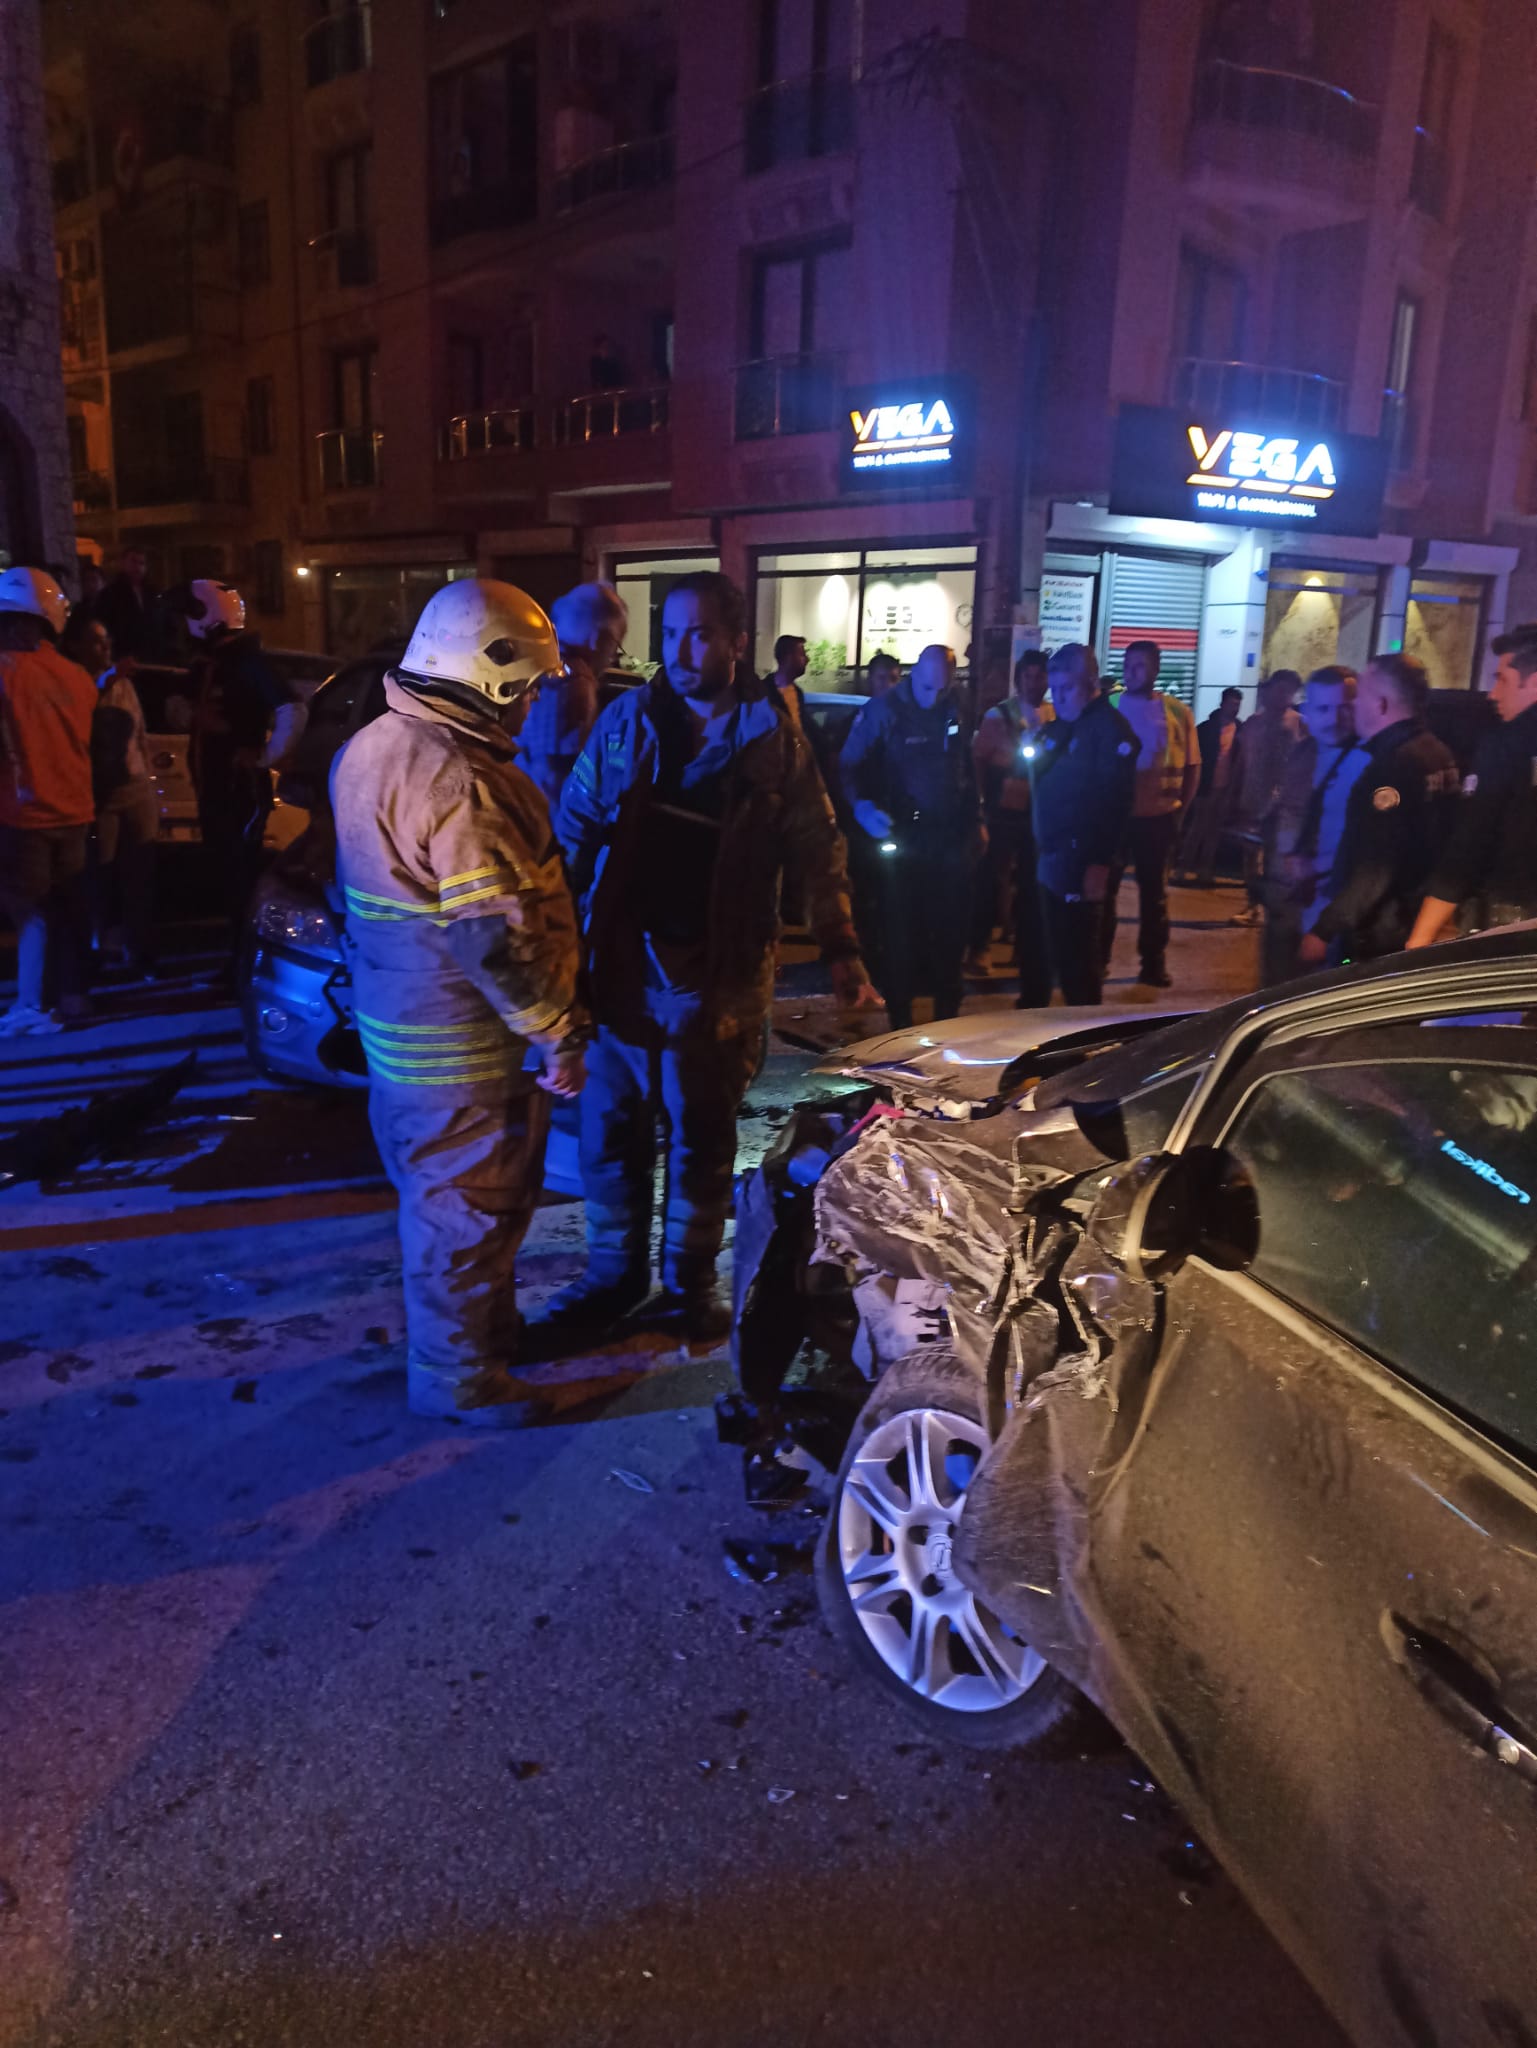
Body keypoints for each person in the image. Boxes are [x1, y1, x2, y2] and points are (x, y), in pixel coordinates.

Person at [543, 570, 875, 1347]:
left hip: (718, 979)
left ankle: (689, 1288)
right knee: (610, 1136)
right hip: (620, 970)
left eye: (699, 634)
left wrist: (840, 946)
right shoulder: (627, 721)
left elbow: (817, 846)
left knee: (701, 1140)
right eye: (671, 634)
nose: (682, 651)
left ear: (735, 642)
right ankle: (611, 1279)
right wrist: (556, 951)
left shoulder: (774, 737)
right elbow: (571, 836)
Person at [331, 580, 587, 1422]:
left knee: (442, 1203)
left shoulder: (372, 745)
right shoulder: (460, 780)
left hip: (400, 1034)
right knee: (468, 1216)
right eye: (528, 685)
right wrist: (554, 1031)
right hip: (464, 1048)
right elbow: (491, 939)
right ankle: (460, 1380)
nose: (533, 702)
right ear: (492, 674)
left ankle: (481, 1341)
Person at [841, 642, 982, 1030]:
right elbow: (848, 767)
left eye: (943, 687)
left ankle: (947, 1024)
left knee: (951, 934)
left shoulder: (955, 703)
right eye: (928, 687)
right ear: (913, 674)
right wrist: (861, 806)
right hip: (902, 833)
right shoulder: (882, 711)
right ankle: (900, 1024)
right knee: (901, 934)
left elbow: (966, 764)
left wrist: (977, 818)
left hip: (948, 834)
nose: (935, 697)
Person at [1299, 653, 1459, 968]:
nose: (1354, 705)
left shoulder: (1391, 766)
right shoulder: (1438, 753)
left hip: (1384, 931)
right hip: (1416, 918)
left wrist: (1325, 930)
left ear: (1381, 704)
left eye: (1360, 697)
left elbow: (1377, 865)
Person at [0, 568, 98, 1034]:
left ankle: (33, 1006)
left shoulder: (5, 672)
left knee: (32, 912)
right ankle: (75, 996)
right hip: (75, 808)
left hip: (25, 814)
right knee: (69, 906)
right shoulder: (77, 676)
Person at [186, 580, 305, 948]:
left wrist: (266, 756)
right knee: (228, 879)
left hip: (241, 792)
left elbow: (292, 708)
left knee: (244, 880)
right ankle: (237, 958)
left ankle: (250, 959)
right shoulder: (214, 663)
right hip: (217, 791)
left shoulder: (248, 662)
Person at [1409, 623, 1537, 946]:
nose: (1493, 694)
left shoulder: (1507, 744)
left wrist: (1421, 937)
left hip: (1511, 920)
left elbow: (1470, 843)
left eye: (1502, 680)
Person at [1028, 643, 1137, 1006]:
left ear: (1091, 683)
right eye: (1054, 689)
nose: (1058, 697)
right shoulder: (1062, 726)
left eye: (1067, 688)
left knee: (1079, 962)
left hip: (1082, 861)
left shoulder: (1109, 730)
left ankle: (1085, 1030)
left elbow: (1115, 802)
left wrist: (1099, 862)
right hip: (1051, 855)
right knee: (1048, 953)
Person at [63, 613, 159, 977]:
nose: (105, 648)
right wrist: (107, 679)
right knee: (99, 874)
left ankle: (140, 950)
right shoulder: (75, 681)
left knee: (140, 874)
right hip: (99, 792)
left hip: (135, 787)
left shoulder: (124, 685)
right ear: (76, 646)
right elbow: (82, 709)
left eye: (107, 641)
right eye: (96, 641)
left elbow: (139, 732)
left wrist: (148, 777)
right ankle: (97, 947)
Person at [1102, 639, 1200, 991]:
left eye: (1140, 665)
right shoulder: (1107, 706)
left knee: (1154, 895)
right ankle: (1098, 959)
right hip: (1113, 818)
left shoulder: (1177, 712)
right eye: (1128, 664)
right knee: (1104, 891)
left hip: (1158, 818)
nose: (1131, 672)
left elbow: (1192, 766)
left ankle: (1153, 964)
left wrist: (1180, 812)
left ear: (1156, 669)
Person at [1266, 666, 1368, 984]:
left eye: (1343, 708)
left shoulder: (1371, 761)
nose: (1333, 719)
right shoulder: (1301, 754)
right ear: (1307, 711)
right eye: (1323, 709)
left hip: (1339, 911)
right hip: (1289, 902)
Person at [966, 647, 1053, 990]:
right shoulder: (997, 716)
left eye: (1040, 676)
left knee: (1033, 884)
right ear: (1018, 680)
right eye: (1028, 676)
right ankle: (980, 948)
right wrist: (980, 805)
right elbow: (978, 761)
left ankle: (1024, 947)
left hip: (1039, 813)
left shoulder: (1054, 714)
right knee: (991, 881)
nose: (1034, 682)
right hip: (1002, 811)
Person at [519, 580, 628, 809]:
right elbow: (555, 777)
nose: (612, 658)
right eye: (615, 645)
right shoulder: (574, 683)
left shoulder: (531, 664)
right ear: (599, 638)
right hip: (542, 817)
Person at [1230, 668, 1302, 926]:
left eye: (1288, 691)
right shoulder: (1253, 723)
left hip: (1282, 805)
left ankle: (1274, 911)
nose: (1282, 696)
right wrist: (1233, 793)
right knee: (1250, 857)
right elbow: (1240, 761)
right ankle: (1253, 906)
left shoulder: (1299, 724)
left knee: (1274, 859)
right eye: (1279, 689)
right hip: (1251, 799)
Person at [1178, 685, 1244, 887]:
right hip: (1206, 785)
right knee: (1197, 829)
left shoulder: (1240, 730)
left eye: (1237, 705)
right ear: (1222, 703)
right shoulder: (1206, 729)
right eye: (1232, 704)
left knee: (1214, 831)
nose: (1235, 709)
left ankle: (1204, 870)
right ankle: (1183, 868)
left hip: (1225, 788)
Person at [94, 547, 168, 662]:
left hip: (153, 656)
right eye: (133, 561)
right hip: (123, 656)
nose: (137, 567)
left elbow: (163, 621)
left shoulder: (153, 593)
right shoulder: (110, 594)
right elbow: (104, 624)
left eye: (141, 563)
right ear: (123, 563)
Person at [769, 633, 809, 729]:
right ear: (789, 657)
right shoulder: (763, 693)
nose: (807, 659)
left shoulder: (798, 693)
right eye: (802, 654)